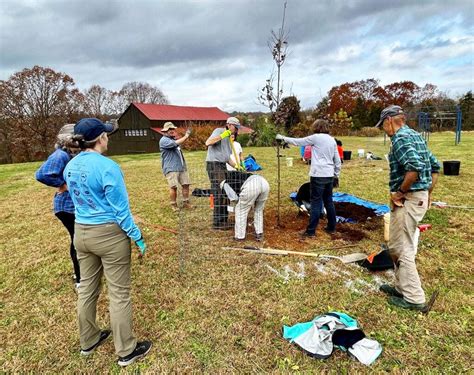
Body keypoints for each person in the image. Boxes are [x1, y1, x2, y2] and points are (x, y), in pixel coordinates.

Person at [63, 118, 152, 366]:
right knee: (119, 293)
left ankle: (88, 340)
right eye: (107, 134)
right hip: (110, 236)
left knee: (87, 289)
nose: (108, 137)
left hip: (81, 233)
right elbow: (121, 212)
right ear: (101, 138)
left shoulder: (69, 166)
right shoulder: (108, 167)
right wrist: (138, 236)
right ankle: (126, 350)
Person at [375, 105, 440, 311]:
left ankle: (414, 299)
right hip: (416, 197)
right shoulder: (415, 136)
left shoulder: (401, 138)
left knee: (403, 248)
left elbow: (414, 168)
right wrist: (427, 193)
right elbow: (435, 167)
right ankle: (402, 287)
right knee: (395, 244)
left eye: (383, 125)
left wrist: (400, 192)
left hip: (408, 198)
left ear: (390, 120)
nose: (384, 130)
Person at [276, 119, 341, 238]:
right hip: (329, 175)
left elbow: (298, 142)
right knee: (328, 201)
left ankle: (311, 231)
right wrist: (336, 175)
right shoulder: (332, 140)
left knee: (316, 202)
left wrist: (283, 138)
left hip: (318, 175)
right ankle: (332, 228)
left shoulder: (316, 138)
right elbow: (337, 160)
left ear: (317, 127)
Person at [35, 124, 81, 288]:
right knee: (78, 240)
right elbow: (41, 174)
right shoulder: (60, 155)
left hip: (72, 205)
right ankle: (80, 280)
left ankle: (79, 274)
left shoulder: (71, 154)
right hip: (66, 207)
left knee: (77, 239)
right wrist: (64, 183)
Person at [205, 117, 242, 229]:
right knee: (219, 192)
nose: (236, 131)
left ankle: (223, 220)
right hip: (214, 164)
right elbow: (208, 142)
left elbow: (226, 158)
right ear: (230, 125)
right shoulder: (219, 131)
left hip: (221, 165)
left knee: (225, 192)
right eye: (236, 128)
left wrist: (237, 166)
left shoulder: (229, 139)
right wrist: (222, 135)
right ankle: (218, 223)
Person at [221, 171, 270, 241]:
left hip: (252, 186)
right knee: (258, 210)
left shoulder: (225, 185)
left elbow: (234, 199)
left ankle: (239, 236)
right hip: (263, 182)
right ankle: (259, 233)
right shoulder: (235, 176)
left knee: (240, 210)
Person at [159, 122, 192, 211]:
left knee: (186, 185)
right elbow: (174, 144)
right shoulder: (163, 140)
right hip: (171, 168)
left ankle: (186, 203)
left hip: (181, 167)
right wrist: (185, 136)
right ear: (165, 131)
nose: (172, 131)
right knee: (173, 187)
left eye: (173, 129)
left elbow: (177, 144)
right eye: (169, 129)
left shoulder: (173, 140)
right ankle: (174, 205)